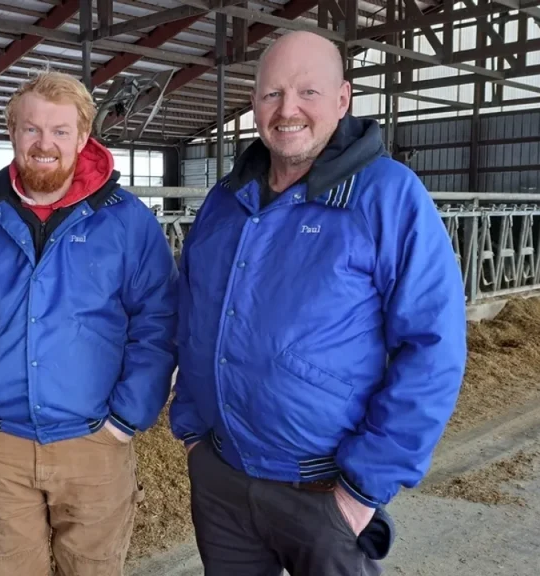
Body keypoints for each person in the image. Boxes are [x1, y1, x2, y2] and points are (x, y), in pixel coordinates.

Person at [169, 30, 468, 576]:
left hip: (323, 487)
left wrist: (362, 489)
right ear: (255, 103)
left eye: (308, 91)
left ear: (342, 99)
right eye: (271, 94)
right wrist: (192, 433)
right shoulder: (225, 200)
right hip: (223, 478)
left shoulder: (387, 196)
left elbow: (433, 347)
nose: (288, 110)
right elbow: (190, 314)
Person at [0, 69, 179, 576]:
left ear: (83, 137)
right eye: (31, 129)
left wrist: (125, 421)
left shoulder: (126, 220)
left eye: (60, 131)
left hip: (95, 446)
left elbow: (158, 319)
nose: (45, 144)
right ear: (12, 133)